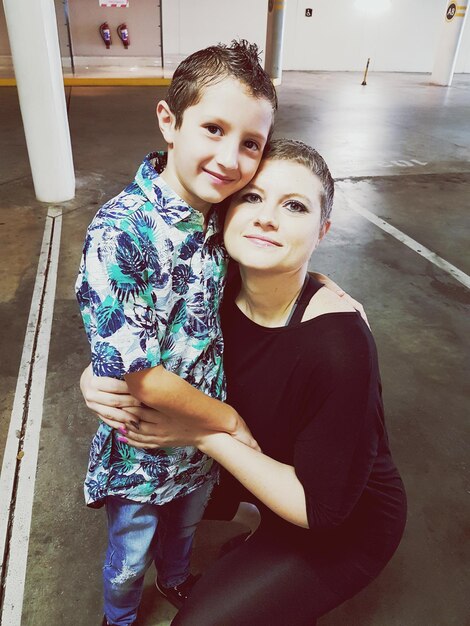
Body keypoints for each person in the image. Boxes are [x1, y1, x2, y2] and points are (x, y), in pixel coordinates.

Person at [81, 139, 407, 625]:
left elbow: (319, 508)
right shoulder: (214, 289)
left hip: (337, 522)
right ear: (224, 214)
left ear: (323, 230)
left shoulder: (340, 348)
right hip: (263, 480)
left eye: (294, 206)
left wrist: (204, 433)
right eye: (251, 198)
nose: (266, 217)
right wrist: (94, 377)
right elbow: (138, 342)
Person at [75, 40, 277, 626]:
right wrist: (228, 421)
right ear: (169, 121)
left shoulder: (222, 217)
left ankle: (180, 579)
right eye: (212, 128)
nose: (230, 158)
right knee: (128, 557)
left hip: (195, 449)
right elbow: (138, 373)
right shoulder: (123, 232)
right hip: (145, 443)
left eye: (250, 144)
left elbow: (274, 255)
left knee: (185, 528)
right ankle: (120, 617)